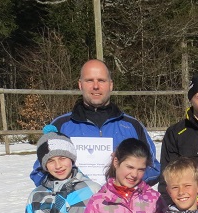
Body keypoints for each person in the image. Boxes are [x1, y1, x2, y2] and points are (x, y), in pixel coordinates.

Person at [30, 59, 159, 186]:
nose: (96, 86)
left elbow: (154, 169)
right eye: (89, 80)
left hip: (121, 199)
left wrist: (126, 178)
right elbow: (39, 173)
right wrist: (68, 188)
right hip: (75, 199)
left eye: (101, 80)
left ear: (110, 85)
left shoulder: (132, 126)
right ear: (80, 85)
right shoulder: (61, 126)